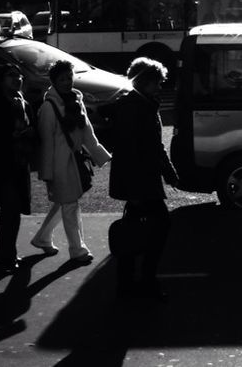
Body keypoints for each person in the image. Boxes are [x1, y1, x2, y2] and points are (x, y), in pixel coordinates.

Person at [105, 56, 179, 300]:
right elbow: (137, 149)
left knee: (135, 231)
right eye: (157, 82)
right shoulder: (136, 108)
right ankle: (145, 282)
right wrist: (167, 172)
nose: (160, 86)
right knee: (158, 226)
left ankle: (129, 285)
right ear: (145, 82)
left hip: (139, 180)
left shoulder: (140, 104)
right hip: (140, 181)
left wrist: (167, 171)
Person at [30, 59, 111, 264]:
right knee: (70, 205)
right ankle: (78, 250)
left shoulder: (76, 99)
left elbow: (87, 131)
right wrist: (47, 172)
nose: (67, 82)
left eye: (69, 77)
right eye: (62, 79)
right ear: (54, 81)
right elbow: (47, 142)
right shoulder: (49, 107)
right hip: (60, 163)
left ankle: (42, 238)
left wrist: (99, 153)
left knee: (65, 202)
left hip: (72, 161)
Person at [0, 66, 33, 270]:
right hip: (1, 164)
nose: (17, 79)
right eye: (11, 76)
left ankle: (6, 254)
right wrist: (10, 136)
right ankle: (7, 255)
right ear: (1, 80)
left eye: (18, 76)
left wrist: (29, 135)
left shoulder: (23, 103)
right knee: (11, 209)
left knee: (14, 210)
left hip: (19, 162)